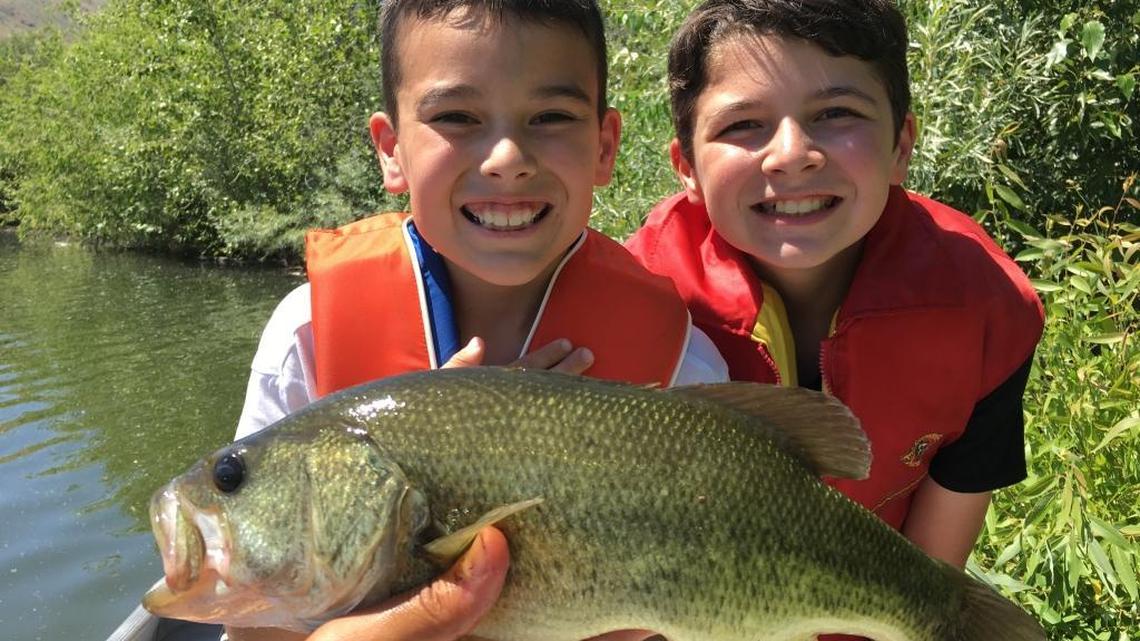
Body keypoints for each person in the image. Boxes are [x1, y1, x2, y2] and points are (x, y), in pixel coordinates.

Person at [227, 1, 726, 639]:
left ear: (604, 148)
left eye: (550, 117)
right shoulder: (305, 340)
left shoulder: (683, 359)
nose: (507, 157)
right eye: (456, 117)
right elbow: (251, 620)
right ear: (391, 151)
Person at [626, 1, 1043, 637]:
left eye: (836, 114)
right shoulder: (635, 305)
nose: (792, 155)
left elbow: (927, 582)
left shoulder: (986, 307)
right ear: (686, 167)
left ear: (902, 144)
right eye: (743, 124)